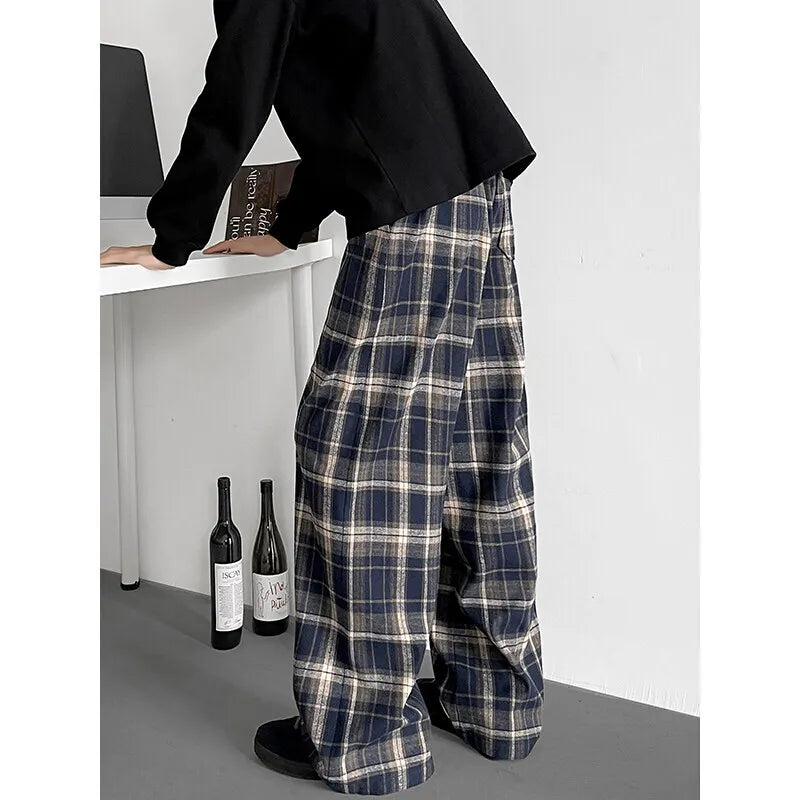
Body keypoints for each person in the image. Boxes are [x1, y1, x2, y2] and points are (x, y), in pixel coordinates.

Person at [101, 0, 543, 793]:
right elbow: (360, 96)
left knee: (359, 468)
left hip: (416, 204)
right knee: (477, 458)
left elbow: (240, 84)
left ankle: (364, 736)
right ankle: (494, 699)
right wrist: (290, 223)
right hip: (473, 187)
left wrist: (172, 236)